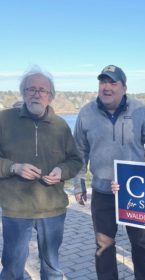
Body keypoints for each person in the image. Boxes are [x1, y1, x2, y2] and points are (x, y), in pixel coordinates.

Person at [73, 65, 145, 280]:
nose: (106, 87)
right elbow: (79, 151)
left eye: (113, 82)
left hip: (136, 194)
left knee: (140, 244)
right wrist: (79, 184)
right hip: (102, 192)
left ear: (124, 87)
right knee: (104, 246)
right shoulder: (86, 113)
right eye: (103, 82)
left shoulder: (140, 111)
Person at [0, 67, 83, 279]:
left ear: (51, 96)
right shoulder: (4, 120)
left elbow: (75, 160)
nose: (37, 94)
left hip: (52, 210)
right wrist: (13, 167)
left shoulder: (61, 125)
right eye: (31, 89)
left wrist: (61, 171)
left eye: (43, 90)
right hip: (16, 209)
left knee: (52, 269)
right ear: (23, 92)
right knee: (11, 269)